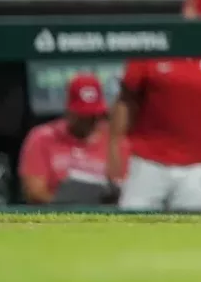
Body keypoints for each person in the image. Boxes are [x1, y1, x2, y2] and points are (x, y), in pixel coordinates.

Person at [107, 0, 201, 211]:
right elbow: (126, 100)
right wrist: (114, 148)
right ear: (189, 9)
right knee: (131, 229)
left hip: (197, 165)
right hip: (147, 160)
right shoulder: (155, 43)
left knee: (191, 237)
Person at [19, 73, 126, 205]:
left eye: (93, 115)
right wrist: (69, 205)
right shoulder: (42, 138)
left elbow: (124, 187)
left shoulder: (115, 141)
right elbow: (34, 192)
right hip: (57, 218)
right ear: (69, 111)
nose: (89, 121)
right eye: (83, 116)